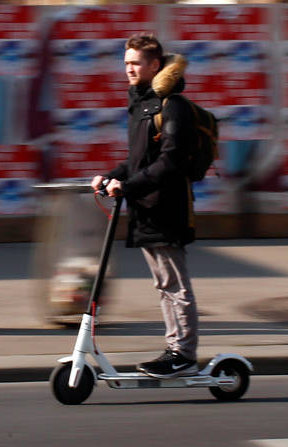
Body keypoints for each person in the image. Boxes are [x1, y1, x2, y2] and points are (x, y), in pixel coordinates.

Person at [91, 34, 199, 378]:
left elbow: (171, 162)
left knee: (174, 283)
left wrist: (129, 184)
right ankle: (175, 348)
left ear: (155, 65)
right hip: (146, 208)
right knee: (164, 284)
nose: (129, 69)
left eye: (135, 63)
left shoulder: (174, 106)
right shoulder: (142, 105)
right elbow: (135, 161)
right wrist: (110, 176)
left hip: (168, 209)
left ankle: (183, 353)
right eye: (126, 63)